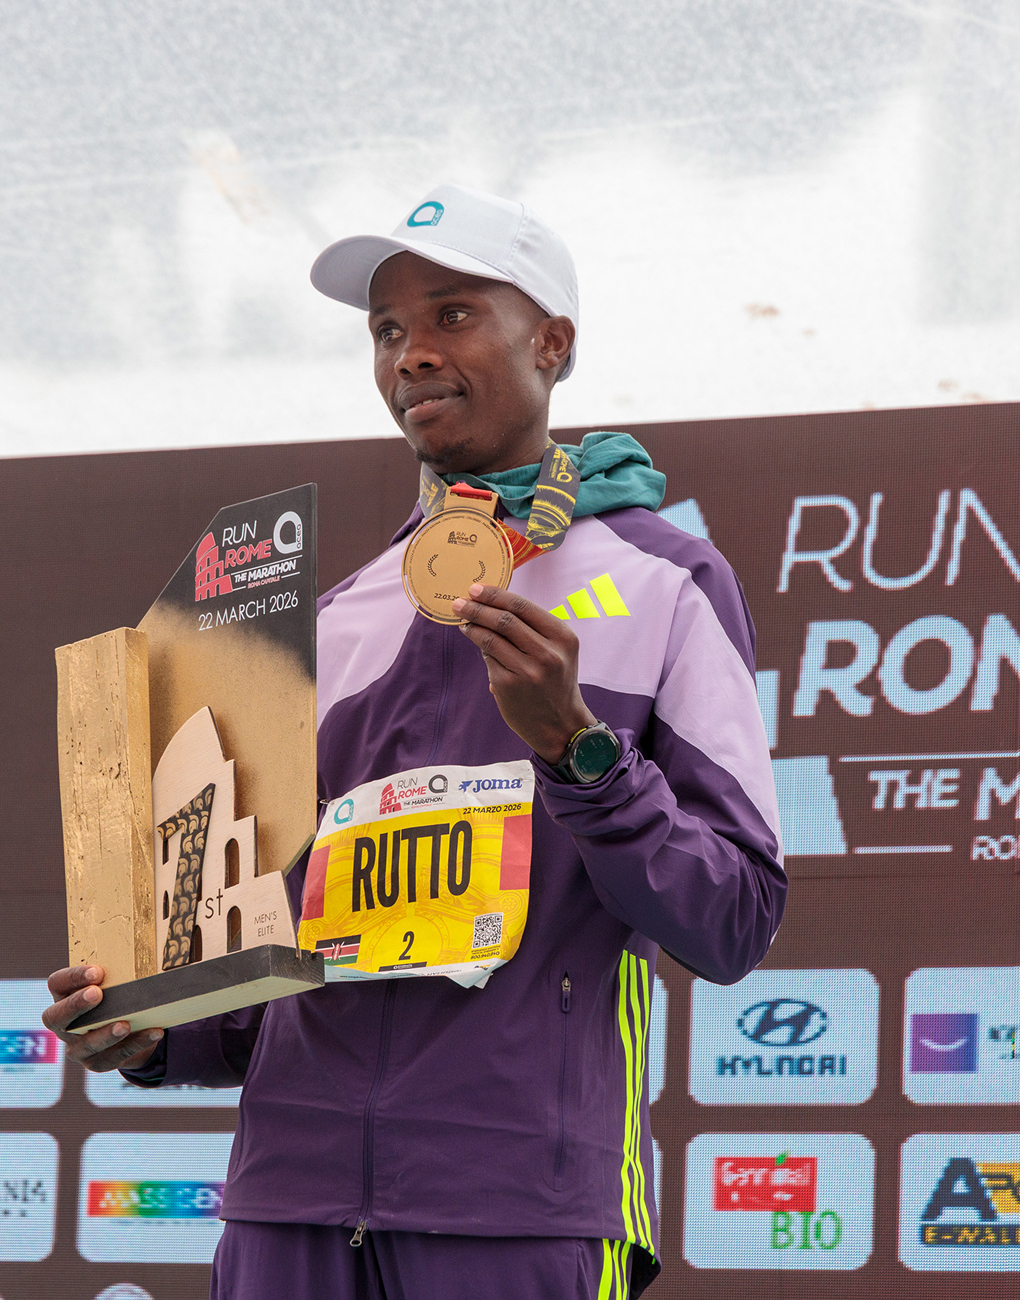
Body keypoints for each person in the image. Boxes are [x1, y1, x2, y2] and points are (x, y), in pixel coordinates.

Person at [44, 184, 786, 1299]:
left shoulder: (667, 580)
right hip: (284, 1206)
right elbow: (272, 973)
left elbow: (733, 918)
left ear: (554, 341)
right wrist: (150, 1034)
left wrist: (582, 756)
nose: (412, 355)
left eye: (451, 314)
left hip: (518, 1204)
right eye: (388, 330)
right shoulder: (328, 616)